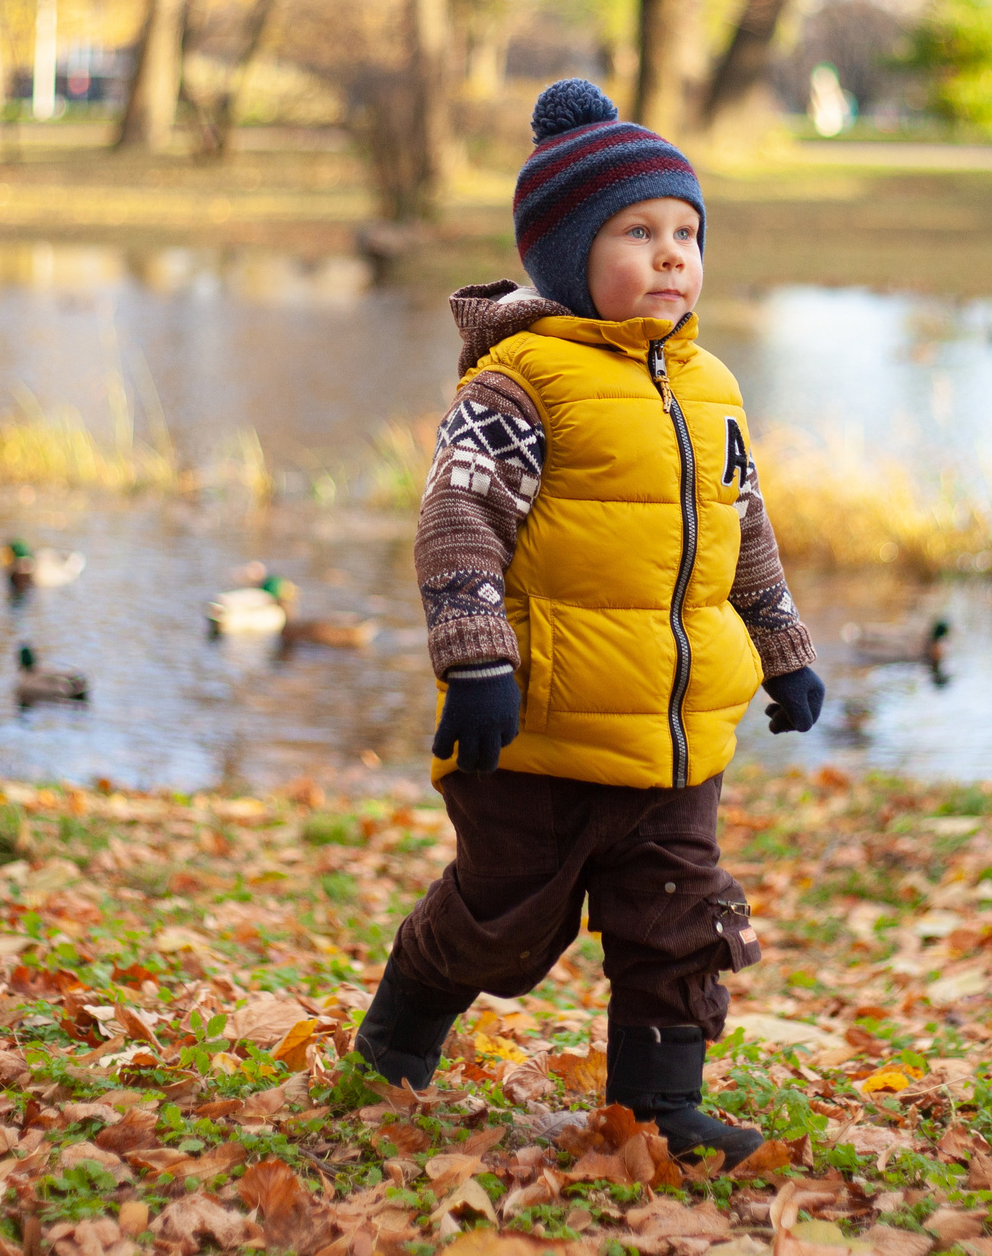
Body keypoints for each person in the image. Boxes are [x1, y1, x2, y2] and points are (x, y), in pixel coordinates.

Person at [353, 77, 827, 1170]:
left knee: (678, 916)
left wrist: (784, 653)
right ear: (565, 256)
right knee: (502, 922)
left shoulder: (712, 388)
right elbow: (456, 523)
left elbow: (743, 531)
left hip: (673, 734)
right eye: (637, 232)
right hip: (538, 729)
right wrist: (477, 663)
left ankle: (657, 1111)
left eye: (685, 233)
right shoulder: (521, 384)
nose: (670, 256)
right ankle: (394, 1039)